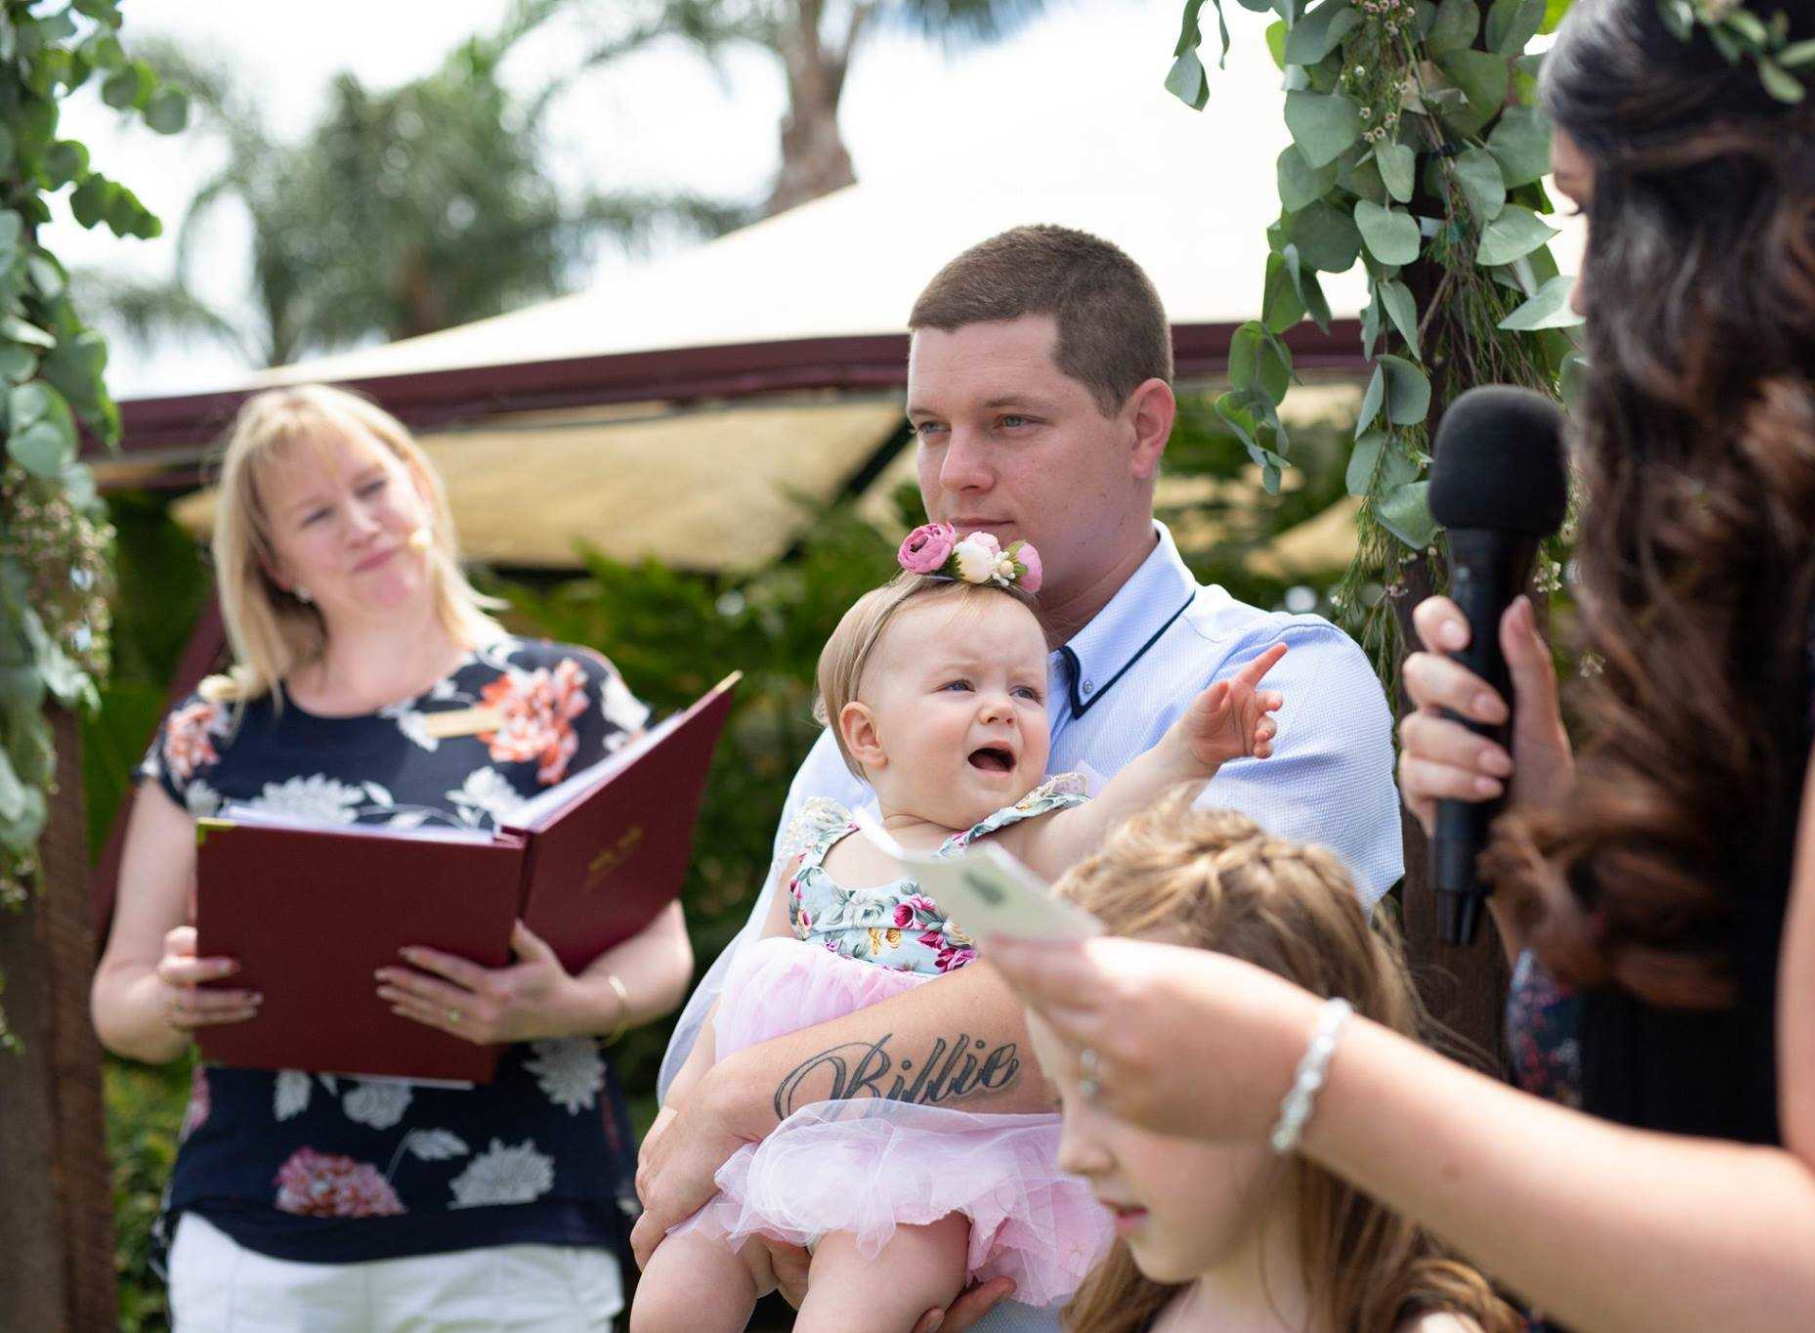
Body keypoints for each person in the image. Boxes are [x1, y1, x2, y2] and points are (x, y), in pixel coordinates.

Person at [981, 2, 1815, 1330]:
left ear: (1745, 210)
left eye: (1587, 212)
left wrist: (1309, 1075)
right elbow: (1682, 1113)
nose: (1576, 291)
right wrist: (1540, 839)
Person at [634, 224, 1405, 1332]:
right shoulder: (873, 717)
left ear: (1142, 425)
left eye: (1011, 422)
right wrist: (805, 1222)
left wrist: (750, 1098)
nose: (955, 473)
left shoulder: (1277, 689)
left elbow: (1127, 1014)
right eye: (929, 427)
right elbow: (727, 1018)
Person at [91, 385, 697, 1330]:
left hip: (514, 1231)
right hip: (258, 1238)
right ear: (276, 562)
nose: (362, 525)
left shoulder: (567, 694)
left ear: (419, 486)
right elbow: (118, 998)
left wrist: (571, 1005)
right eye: (316, 514)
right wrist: (170, 1001)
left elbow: (662, 944)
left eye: (374, 487)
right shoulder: (211, 733)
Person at [632, 540, 1287, 1333]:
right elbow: (745, 988)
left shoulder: (1005, 845)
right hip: (765, 1143)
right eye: (959, 685)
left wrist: (1185, 756)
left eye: (1025, 689)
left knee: (853, 1309)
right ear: (868, 737)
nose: (1002, 706)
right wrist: (683, 1109)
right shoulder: (816, 843)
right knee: (673, 1295)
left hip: (926, 1165)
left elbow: (1103, 833)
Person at [1033, 798, 1517, 1333]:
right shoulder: (1115, 1314)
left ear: (1291, 1068)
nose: (1072, 1155)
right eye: (1061, 1100)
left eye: (1115, 1093)